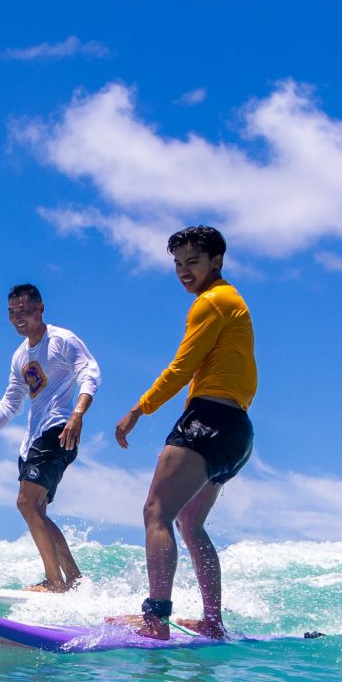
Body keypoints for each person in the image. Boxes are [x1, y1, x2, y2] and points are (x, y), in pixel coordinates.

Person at [114, 225, 257, 639]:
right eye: (178, 264)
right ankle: (213, 621)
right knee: (190, 523)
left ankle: (156, 620)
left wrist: (139, 409)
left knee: (156, 512)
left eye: (193, 262)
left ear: (217, 261)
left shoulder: (210, 303)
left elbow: (182, 367)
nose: (183, 271)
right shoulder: (234, 302)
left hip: (207, 420)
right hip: (237, 431)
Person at [0, 284, 101, 591]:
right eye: (12, 313)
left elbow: (90, 374)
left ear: (41, 309)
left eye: (24, 311)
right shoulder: (19, 357)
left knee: (26, 503)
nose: (18, 319)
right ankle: (74, 580)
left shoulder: (62, 340)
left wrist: (77, 414)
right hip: (34, 439)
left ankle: (55, 581)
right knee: (36, 509)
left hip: (58, 429)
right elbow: (12, 401)